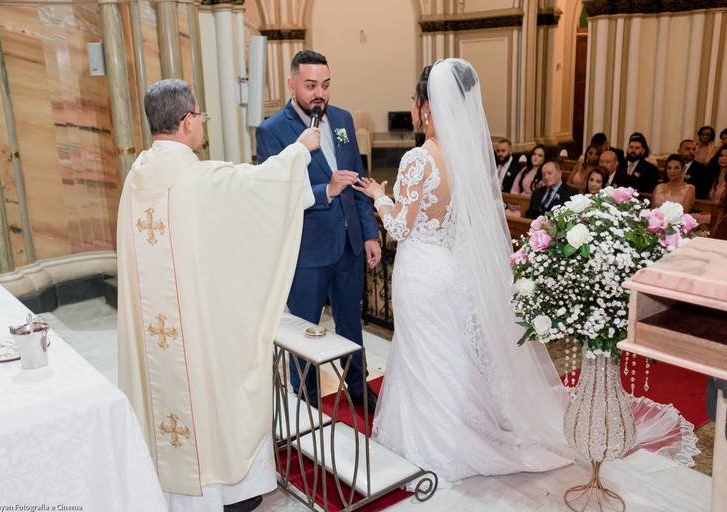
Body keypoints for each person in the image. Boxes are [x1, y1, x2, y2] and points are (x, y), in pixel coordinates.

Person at [353, 58, 698, 489]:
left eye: (414, 99)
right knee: (446, 354)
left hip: (420, 271)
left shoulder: (417, 159)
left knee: (422, 354)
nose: (411, 106)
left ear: (426, 106)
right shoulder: (463, 158)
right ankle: (457, 431)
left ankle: (432, 441)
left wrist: (379, 197)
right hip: (447, 268)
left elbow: (401, 228)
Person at [117, 79, 320, 512]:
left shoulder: (136, 177)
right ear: (187, 121)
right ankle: (221, 491)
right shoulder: (198, 179)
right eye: (200, 115)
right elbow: (262, 186)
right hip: (195, 326)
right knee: (211, 391)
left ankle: (172, 491)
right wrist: (300, 150)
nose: (202, 123)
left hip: (159, 330)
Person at [256, 50, 380, 411]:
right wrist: (326, 190)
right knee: (305, 330)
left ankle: (357, 386)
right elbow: (274, 192)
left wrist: (369, 233)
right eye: (310, 86)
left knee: (351, 322)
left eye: (325, 85)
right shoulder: (272, 131)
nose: (319, 94)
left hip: (349, 244)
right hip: (307, 250)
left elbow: (357, 178)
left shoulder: (341, 119)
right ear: (291, 84)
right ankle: (307, 399)